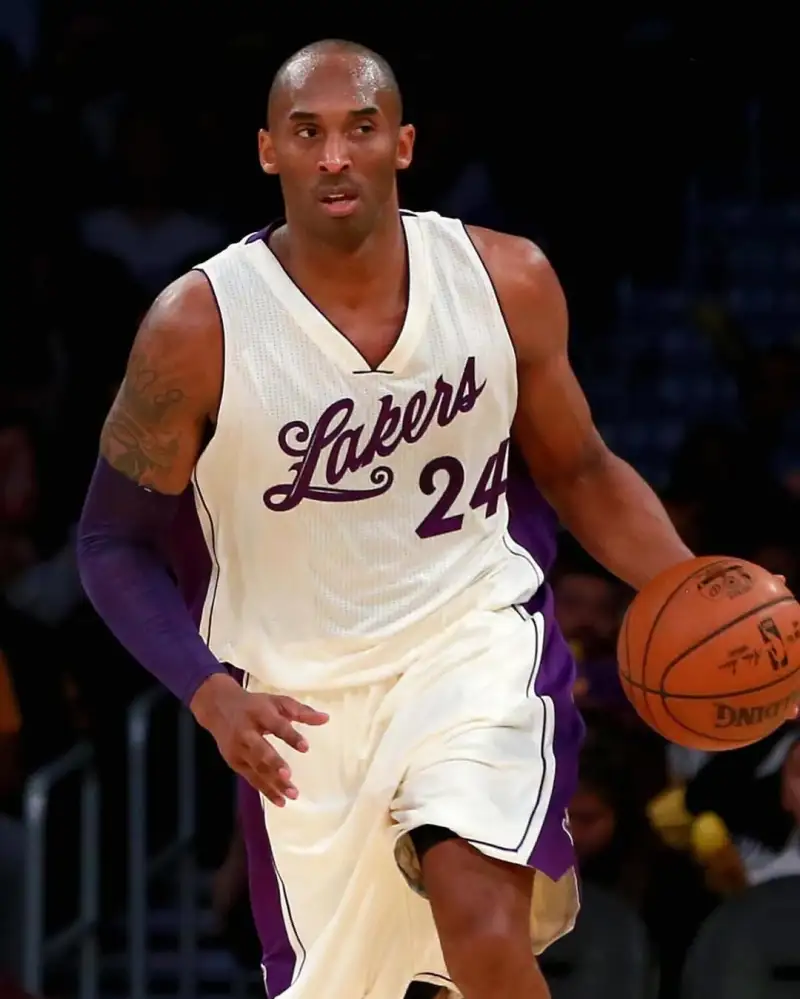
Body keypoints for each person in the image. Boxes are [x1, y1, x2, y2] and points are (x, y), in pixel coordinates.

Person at [79, 37, 728, 999]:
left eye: (362, 128)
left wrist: (691, 587)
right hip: (303, 706)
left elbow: (581, 468)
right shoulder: (198, 327)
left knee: (478, 916)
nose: (335, 155)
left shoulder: (505, 281)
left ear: (405, 143)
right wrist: (209, 693)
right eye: (308, 132)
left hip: (473, 645)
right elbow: (111, 542)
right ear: (268, 151)